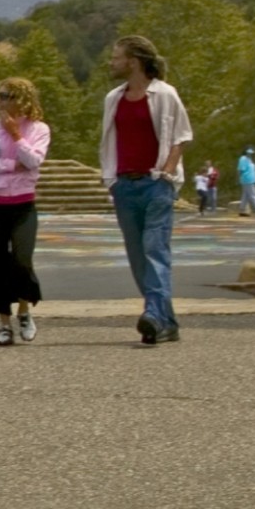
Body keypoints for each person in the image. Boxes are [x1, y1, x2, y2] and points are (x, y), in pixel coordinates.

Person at [100, 35, 195, 347]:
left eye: (116, 57)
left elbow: (180, 137)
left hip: (156, 185)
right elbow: (108, 139)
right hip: (124, 186)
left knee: (155, 250)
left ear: (134, 61)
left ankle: (152, 314)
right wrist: (111, 181)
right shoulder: (113, 98)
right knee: (138, 258)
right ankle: (166, 322)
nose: (111, 63)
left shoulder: (165, 95)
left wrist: (166, 174)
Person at [0, 78, 49, 346]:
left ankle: (25, 311)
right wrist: (8, 164)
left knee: (21, 260)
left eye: (4, 96)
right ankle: (4, 324)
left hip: (22, 204)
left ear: (20, 99)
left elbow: (33, 160)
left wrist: (16, 135)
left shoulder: (38, 129)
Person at [236, 147, 255, 216]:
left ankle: (242, 210)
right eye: (248, 153)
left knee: (245, 196)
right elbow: (240, 169)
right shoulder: (243, 159)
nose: (250, 154)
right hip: (247, 179)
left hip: (251, 179)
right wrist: (239, 178)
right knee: (253, 194)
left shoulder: (250, 159)